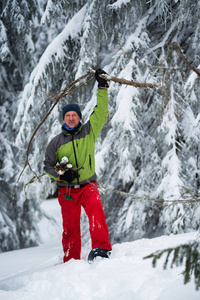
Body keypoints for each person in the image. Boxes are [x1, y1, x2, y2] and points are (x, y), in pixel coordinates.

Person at [44, 69, 112, 263]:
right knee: (70, 227)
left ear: (80, 117)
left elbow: (101, 112)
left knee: (96, 210)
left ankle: (101, 249)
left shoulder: (89, 132)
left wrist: (103, 87)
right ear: (64, 119)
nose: (71, 118)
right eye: (68, 115)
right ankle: (71, 261)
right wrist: (60, 175)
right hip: (67, 191)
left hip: (89, 185)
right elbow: (46, 166)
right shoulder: (56, 142)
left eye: (74, 115)